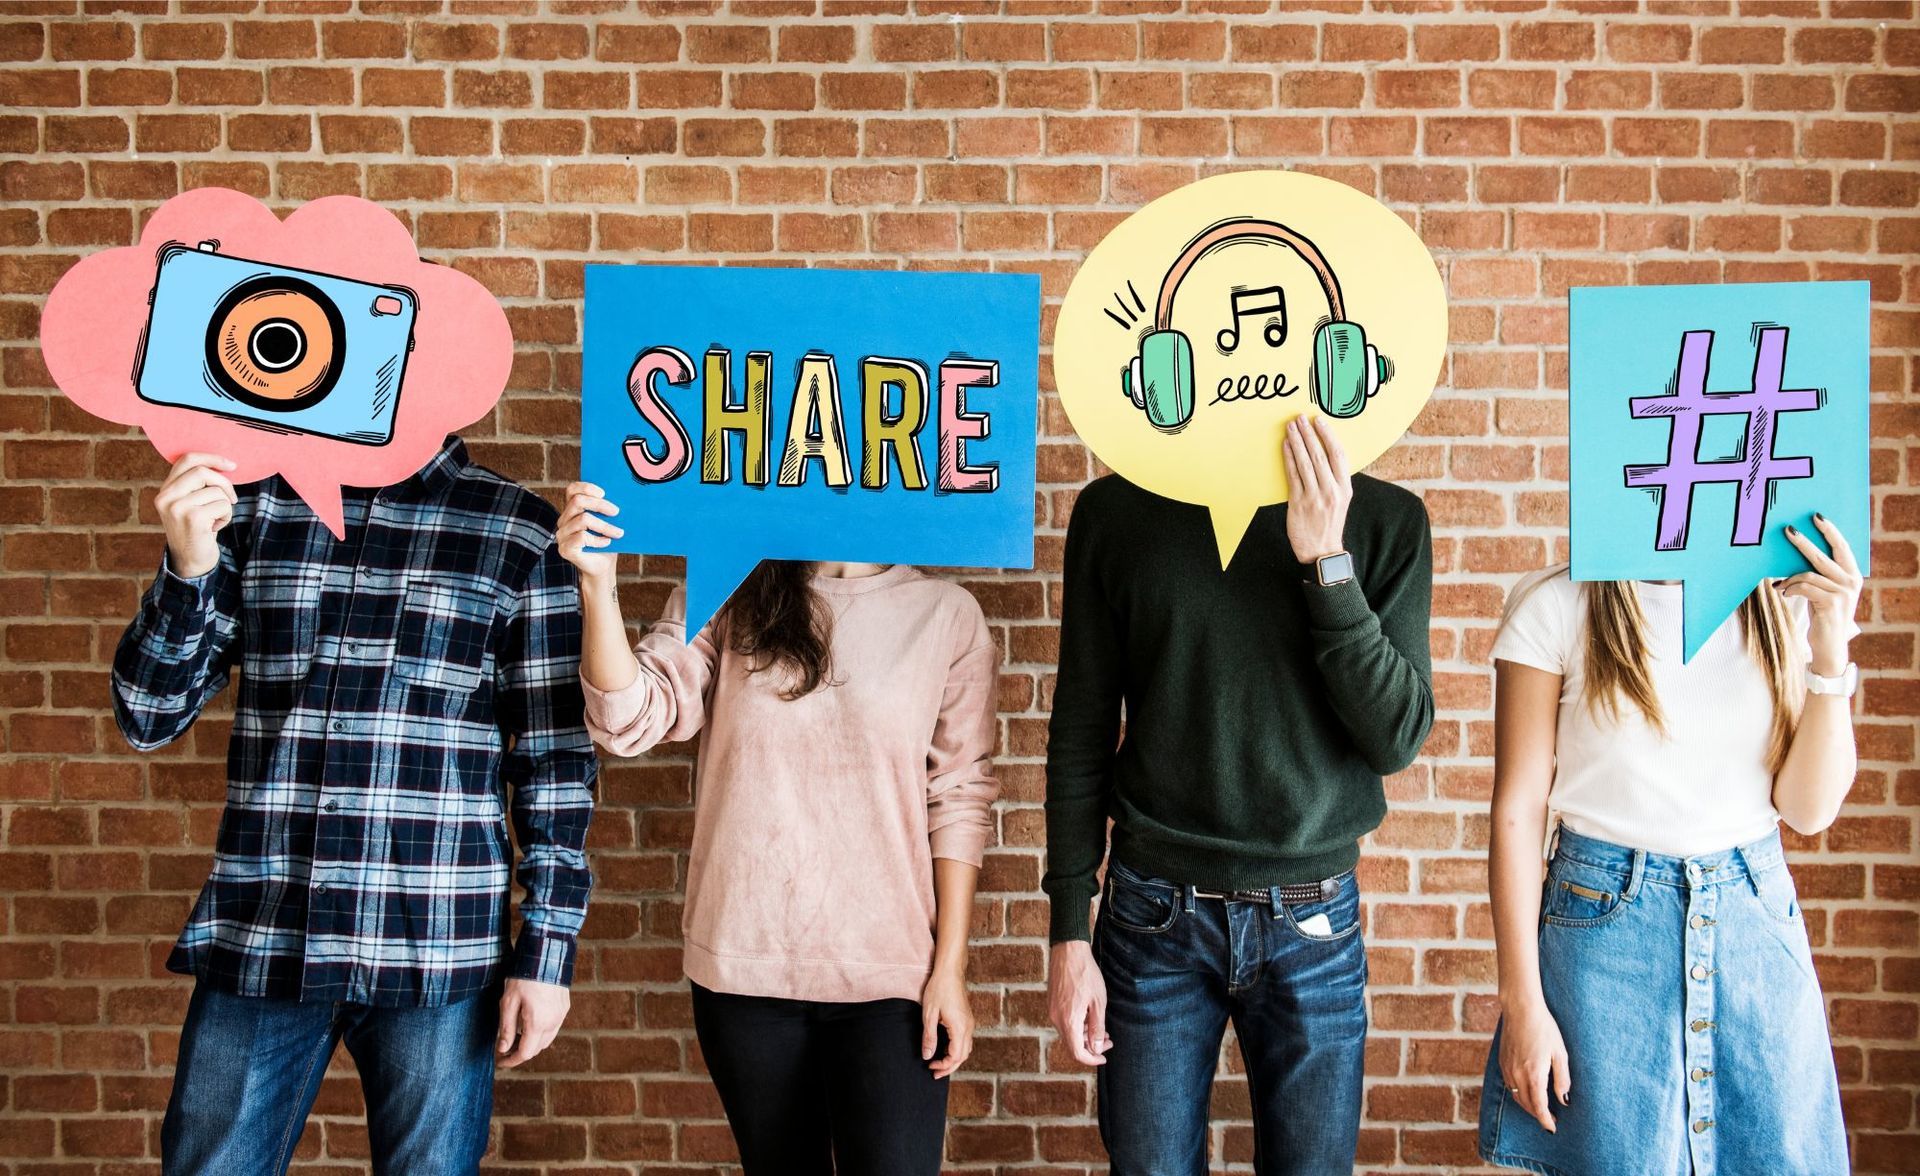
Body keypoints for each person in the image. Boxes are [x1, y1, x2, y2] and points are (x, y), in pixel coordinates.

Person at [114, 441, 598, 1176]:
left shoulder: (519, 530)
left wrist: (547, 955)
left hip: (438, 948)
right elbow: (147, 715)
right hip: (265, 930)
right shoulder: (252, 507)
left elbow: (554, 764)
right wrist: (189, 568)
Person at [556, 481, 999, 1176]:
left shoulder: (947, 614)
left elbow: (959, 799)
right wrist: (596, 583)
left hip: (890, 977)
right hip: (745, 970)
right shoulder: (731, 585)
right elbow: (628, 719)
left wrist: (950, 971)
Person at [1044, 414, 1435, 1175]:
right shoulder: (1116, 512)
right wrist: (1068, 932)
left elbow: (1396, 739)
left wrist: (1325, 562)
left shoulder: (1387, 520)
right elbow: (1081, 730)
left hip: (1312, 920)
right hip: (1153, 916)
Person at [1479, 514, 1861, 1176]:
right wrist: (1523, 1004)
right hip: (1603, 937)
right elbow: (1517, 809)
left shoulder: (1778, 603)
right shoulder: (1557, 603)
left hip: (1753, 927)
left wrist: (1830, 652)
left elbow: (1808, 811)